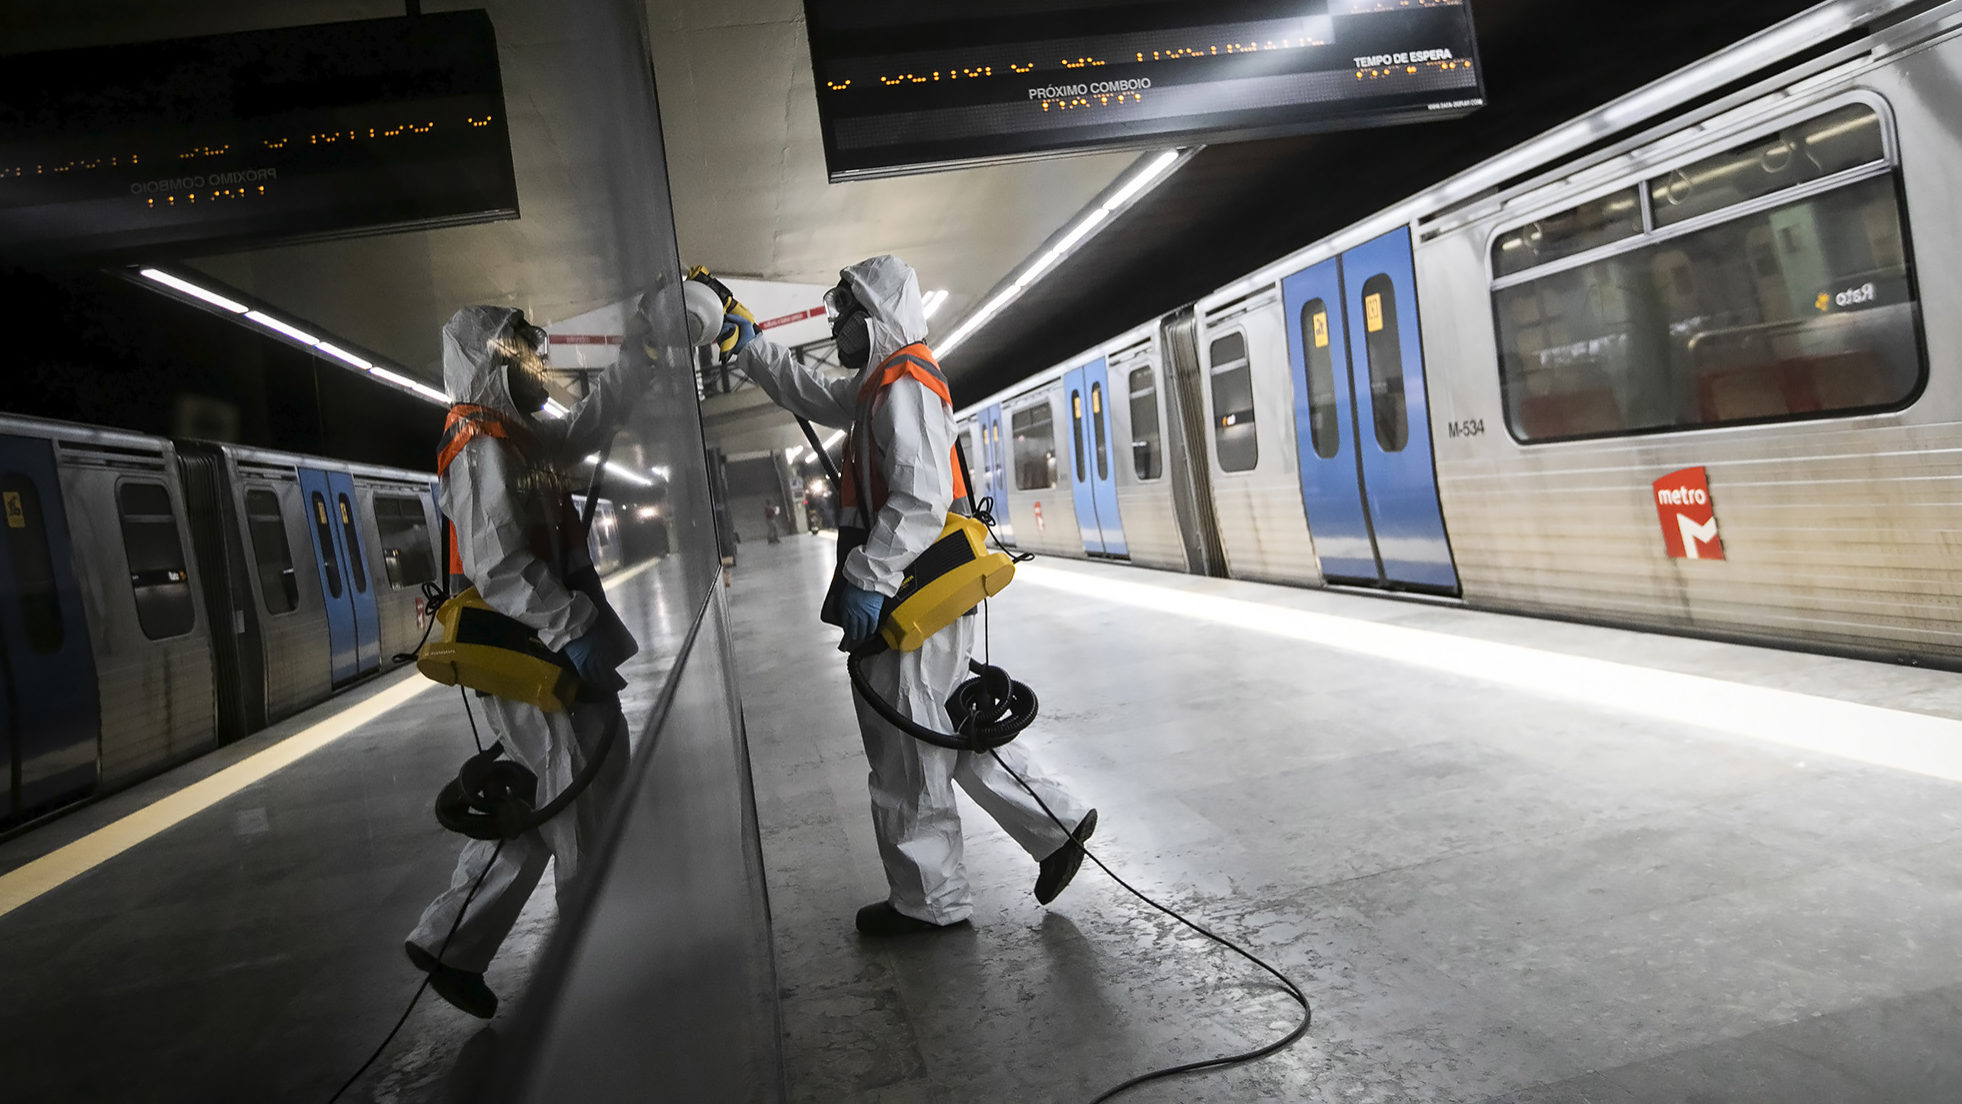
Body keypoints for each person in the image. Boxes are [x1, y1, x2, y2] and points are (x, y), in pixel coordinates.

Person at [725, 255, 1098, 936]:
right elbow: (810, 391)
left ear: (877, 316)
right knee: (946, 728)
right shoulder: (878, 386)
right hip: (918, 587)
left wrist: (868, 579)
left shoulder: (903, 383)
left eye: (845, 312)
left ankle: (931, 902)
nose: (836, 325)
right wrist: (753, 349)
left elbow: (922, 496)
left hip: (910, 591)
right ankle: (1058, 825)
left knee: (907, 751)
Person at [404, 304, 649, 1016]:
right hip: (534, 648)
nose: (541, 367)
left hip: (540, 644)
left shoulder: (517, 435)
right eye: (526, 354)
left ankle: (450, 943)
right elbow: (500, 562)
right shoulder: (479, 440)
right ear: (492, 361)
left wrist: (644, 358)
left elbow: (587, 427)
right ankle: (595, 970)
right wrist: (572, 628)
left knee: (550, 799)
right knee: (583, 792)